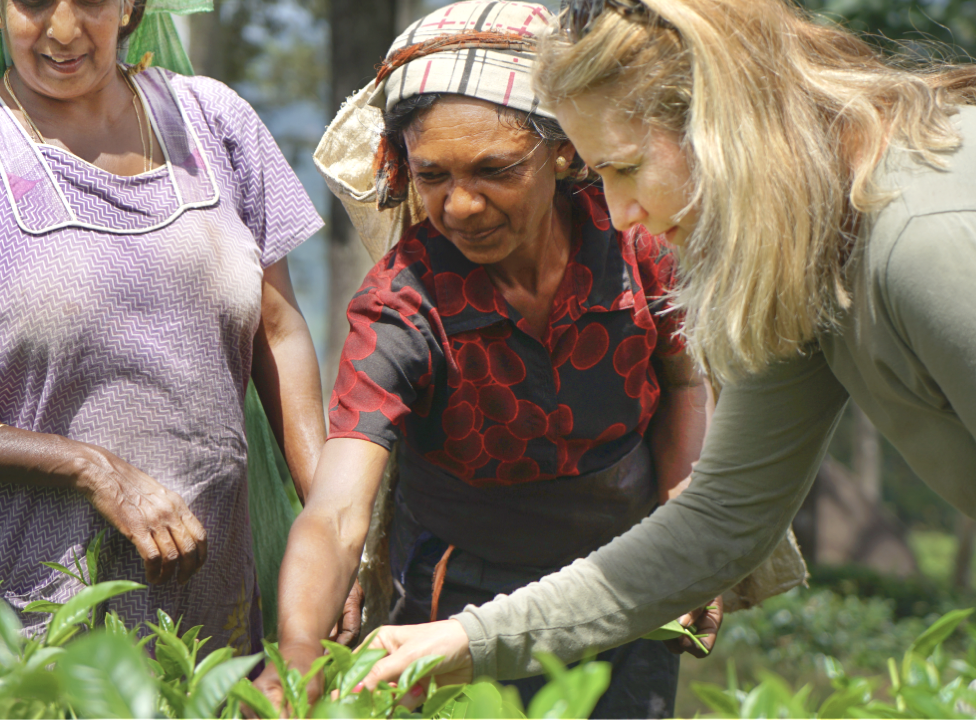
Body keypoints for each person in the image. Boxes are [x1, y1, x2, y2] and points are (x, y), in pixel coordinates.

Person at [356, 0, 976, 695]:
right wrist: (467, 639)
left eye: (623, 170)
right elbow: (722, 521)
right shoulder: (804, 251)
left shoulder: (924, 242)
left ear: (719, 125)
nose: (619, 215)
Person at [258, 2, 718, 716]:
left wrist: (686, 528)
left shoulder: (633, 237)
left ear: (564, 151)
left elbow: (685, 379)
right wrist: (297, 658)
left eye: (494, 170)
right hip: (455, 590)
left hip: (626, 575)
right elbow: (337, 514)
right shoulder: (403, 306)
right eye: (432, 175)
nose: (461, 205)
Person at [0, 0, 326, 654]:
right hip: (41, 630)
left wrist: (332, 536)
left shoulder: (211, 120)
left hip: (214, 620)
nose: (62, 31)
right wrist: (92, 468)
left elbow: (279, 332)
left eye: (91, 0)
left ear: (130, 5)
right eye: (32, 1)